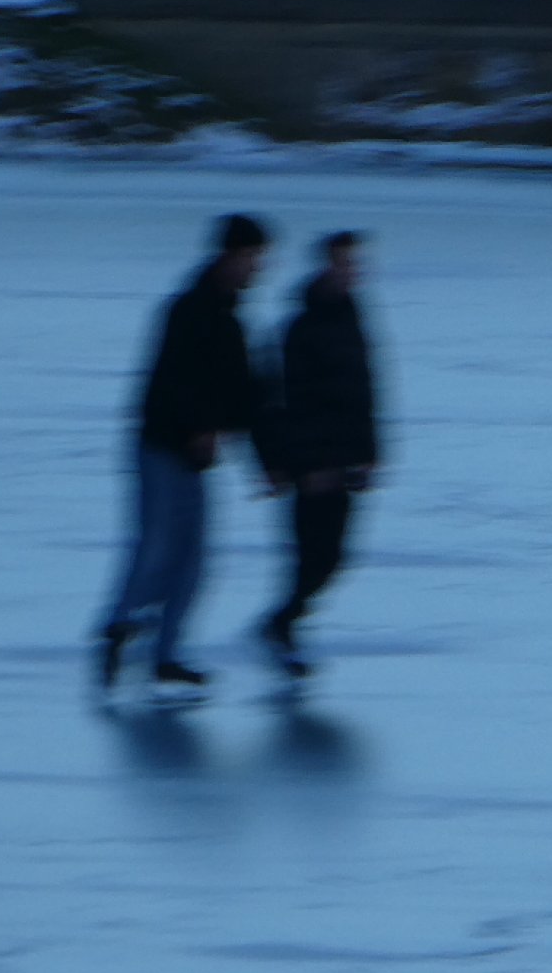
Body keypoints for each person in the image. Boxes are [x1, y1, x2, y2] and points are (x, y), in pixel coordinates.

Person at [95, 213, 273, 693]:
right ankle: (119, 627)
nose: (257, 268)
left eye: (260, 259)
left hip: (192, 458)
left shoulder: (232, 322)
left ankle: (165, 654)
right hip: (160, 447)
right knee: (155, 545)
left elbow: (245, 401)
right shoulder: (189, 309)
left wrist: (268, 464)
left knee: (194, 559)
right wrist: (198, 427)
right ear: (230, 255)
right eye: (253, 257)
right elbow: (173, 380)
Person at [254, 231, 383, 680]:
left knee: (334, 558)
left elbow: (366, 389)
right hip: (312, 465)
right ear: (325, 266)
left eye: (354, 264)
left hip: (345, 460)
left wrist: (370, 452)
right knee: (311, 554)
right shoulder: (302, 327)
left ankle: (282, 623)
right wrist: (302, 464)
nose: (351, 272)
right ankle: (282, 630)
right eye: (343, 264)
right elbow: (284, 400)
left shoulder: (354, 321)